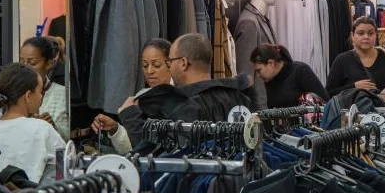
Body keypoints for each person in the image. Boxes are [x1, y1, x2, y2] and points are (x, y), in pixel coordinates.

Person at [118, 33, 258, 151]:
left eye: (170, 62)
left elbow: (163, 158)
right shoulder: (240, 97)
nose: (170, 67)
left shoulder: (183, 105)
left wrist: (131, 117)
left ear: (183, 63)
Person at [0, 63, 65, 184]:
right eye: (40, 91)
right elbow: (62, 172)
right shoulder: (42, 129)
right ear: (28, 96)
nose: (41, 97)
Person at [91, 38, 172, 154]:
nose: (149, 71)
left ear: (170, 64)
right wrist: (115, 128)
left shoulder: (183, 98)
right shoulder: (139, 98)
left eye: (156, 65)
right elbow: (133, 148)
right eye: (145, 66)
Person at [326, 16, 385, 97]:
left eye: (370, 33)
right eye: (360, 33)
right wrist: (353, 87)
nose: (366, 37)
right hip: (353, 105)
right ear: (352, 36)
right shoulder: (342, 60)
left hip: (384, 105)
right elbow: (329, 93)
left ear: (376, 35)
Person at [20, 36, 69, 140]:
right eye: (21, 61)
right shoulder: (13, 92)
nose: (25, 68)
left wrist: (53, 127)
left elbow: (68, 138)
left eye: (32, 63)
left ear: (49, 63)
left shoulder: (63, 94)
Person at [251, 44, 329, 108]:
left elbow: (325, 103)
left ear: (271, 63)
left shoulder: (301, 71)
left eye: (259, 70)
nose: (257, 75)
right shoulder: (270, 80)